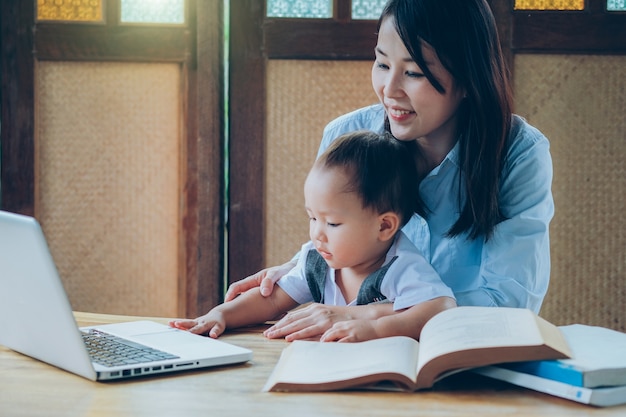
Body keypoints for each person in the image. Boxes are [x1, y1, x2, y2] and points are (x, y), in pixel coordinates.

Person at [224, 0, 554, 342]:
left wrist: (373, 314)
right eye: (382, 63)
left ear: (469, 77)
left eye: (413, 72)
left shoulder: (518, 153)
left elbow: (510, 303)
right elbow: (341, 239)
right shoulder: (347, 134)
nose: (390, 90)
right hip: (360, 353)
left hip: (470, 352)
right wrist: (296, 272)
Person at [170, 131, 456, 342]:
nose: (317, 234)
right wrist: (222, 314)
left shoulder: (400, 266)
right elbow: (271, 299)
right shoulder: (317, 261)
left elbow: (441, 308)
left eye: (331, 223)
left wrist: (376, 328)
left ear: (384, 227)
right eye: (312, 217)